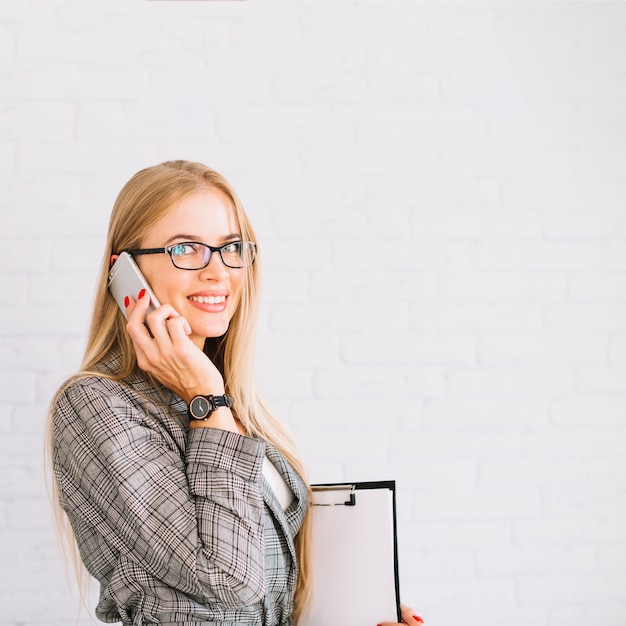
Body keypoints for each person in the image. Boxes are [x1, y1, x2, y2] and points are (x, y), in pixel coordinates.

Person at [47, 160, 423, 626]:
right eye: (185, 248)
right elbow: (227, 578)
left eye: (231, 248)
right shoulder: (96, 405)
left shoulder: (235, 406)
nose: (217, 271)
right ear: (123, 273)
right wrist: (206, 397)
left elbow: (266, 597)